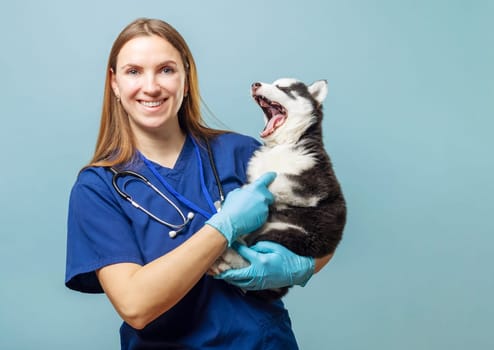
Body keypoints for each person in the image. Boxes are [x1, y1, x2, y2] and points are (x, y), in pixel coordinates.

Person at [65, 17, 333, 349]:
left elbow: (319, 233)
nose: (151, 86)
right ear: (115, 83)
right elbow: (135, 306)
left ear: (186, 79)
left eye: (166, 69)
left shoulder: (242, 153)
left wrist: (294, 268)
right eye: (134, 71)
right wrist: (225, 227)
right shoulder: (98, 189)